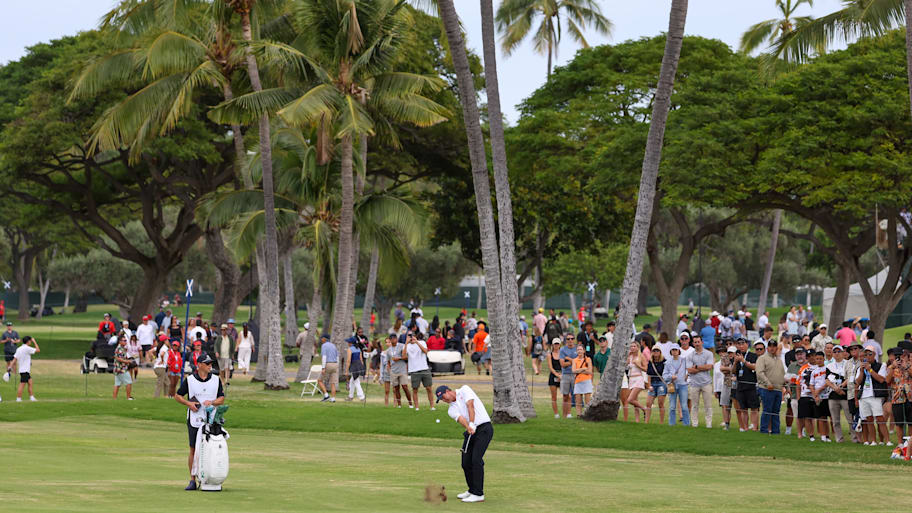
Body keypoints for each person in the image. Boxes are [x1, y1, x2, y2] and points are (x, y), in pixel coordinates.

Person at [174, 353, 225, 491]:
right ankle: (192, 480)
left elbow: (221, 398)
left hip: (212, 419)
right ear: (199, 365)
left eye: (210, 364)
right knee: (193, 449)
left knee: (212, 449)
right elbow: (177, 396)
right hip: (195, 419)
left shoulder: (216, 379)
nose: (210, 366)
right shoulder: (190, 380)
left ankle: (209, 478)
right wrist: (188, 403)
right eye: (207, 364)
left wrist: (213, 402)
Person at [435, 385, 492, 504]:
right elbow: (461, 419)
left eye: (443, 397)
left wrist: (472, 423)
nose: (444, 400)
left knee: (476, 460)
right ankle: (472, 490)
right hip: (471, 431)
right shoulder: (451, 410)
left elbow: (470, 405)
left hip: (484, 428)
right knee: (465, 462)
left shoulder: (464, 390)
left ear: (448, 391)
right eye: (441, 400)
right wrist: (469, 427)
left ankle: (478, 494)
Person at [854, 345, 890, 445]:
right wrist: (862, 371)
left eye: (870, 354)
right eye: (865, 354)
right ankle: (873, 441)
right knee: (868, 419)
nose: (867, 356)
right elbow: (857, 382)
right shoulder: (860, 367)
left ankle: (887, 441)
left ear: (874, 355)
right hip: (864, 396)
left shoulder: (881, 365)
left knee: (880, 418)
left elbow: (881, 379)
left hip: (875, 395)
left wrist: (870, 370)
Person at [756, 339, 785, 435]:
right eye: (770, 346)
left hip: (778, 389)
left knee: (776, 411)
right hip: (766, 388)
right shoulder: (762, 358)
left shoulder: (779, 360)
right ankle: (764, 430)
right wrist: (767, 383)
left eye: (774, 346)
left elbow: (782, 374)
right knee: (767, 410)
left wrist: (785, 386)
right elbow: (759, 372)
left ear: (776, 347)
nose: (772, 348)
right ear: (767, 347)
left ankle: (775, 431)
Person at [825, 345, 851, 442]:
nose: (836, 354)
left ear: (843, 353)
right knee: (835, 420)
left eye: (838, 351)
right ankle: (839, 438)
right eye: (834, 352)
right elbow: (827, 380)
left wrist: (841, 387)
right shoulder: (829, 366)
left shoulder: (848, 364)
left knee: (850, 418)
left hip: (845, 394)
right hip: (833, 395)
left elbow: (850, 377)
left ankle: (855, 437)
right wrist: (835, 388)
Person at [687, 335, 714, 428]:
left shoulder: (709, 354)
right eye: (695, 342)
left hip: (706, 383)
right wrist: (703, 367)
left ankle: (709, 424)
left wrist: (697, 367)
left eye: (698, 342)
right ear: (693, 343)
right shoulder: (690, 355)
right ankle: (694, 423)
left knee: (708, 405)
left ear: (702, 342)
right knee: (694, 405)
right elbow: (689, 370)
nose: (697, 344)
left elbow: (710, 367)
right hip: (694, 384)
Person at [886, 348, 912, 447]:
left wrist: (906, 367)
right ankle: (900, 443)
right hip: (897, 398)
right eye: (897, 356)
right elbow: (887, 381)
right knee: (899, 422)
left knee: (910, 422)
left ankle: (910, 444)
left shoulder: (909, 365)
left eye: (901, 356)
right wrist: (892, 368)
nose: (899, 359)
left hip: (910, 397)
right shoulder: (891, 367)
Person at [733, 337, 760, 431]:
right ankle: (745, 428)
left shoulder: (753, 356)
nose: (741, 346)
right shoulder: (736, 356)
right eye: (739, 344)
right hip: (740, 386)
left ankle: (755, 427)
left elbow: (754, 367)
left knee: (754, 408)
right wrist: (736, 362)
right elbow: (733, 371)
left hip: (751, 385)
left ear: (747, 344)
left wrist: (743, 361)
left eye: (743, 344)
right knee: (743, 409)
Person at [404, 332, 434, 410]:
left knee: (429, 388)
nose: (411, 337)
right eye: (409, 336)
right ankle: (417, 407)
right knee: (415, 389)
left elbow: (425, 351)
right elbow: (404, 356)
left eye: (413, 335)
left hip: (424, 368)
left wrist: (416, 342)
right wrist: (406, 343)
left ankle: (432, 406)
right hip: (414, 370)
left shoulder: (422, 342)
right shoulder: (407, 346)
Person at [663, 344, 689, 426]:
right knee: (672, 406)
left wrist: (687, 375)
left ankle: (686, 424)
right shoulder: (667, 362)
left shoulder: (684, 360)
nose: (674, 351)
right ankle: (671, 424)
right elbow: (664, 375)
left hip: (683, 385)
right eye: (673, 350)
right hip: (672, 385)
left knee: (684, 406)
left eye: (676, 350)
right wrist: (671, 377)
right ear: (671, 351)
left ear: (679, 351)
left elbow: (689, 369)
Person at [7, 335, 39, 402]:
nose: (31, 342)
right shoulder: (27, 348)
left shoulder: (19, 348)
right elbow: (38, 350)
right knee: (22, 384)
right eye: (30, 341)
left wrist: (10, 366)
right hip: (25, 370)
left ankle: (31, 397)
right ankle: (18, 398)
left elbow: (15, 359)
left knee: (30, 382)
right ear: (28, 341)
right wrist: (34, 341)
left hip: (23, 370)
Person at [386, 334, 411, 408]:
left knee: (405, 387)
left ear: (396, 339)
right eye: (392, 339)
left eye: (394, 338)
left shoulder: (401, 346)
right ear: (390, 340)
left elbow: (406, 357)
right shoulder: (388, 350)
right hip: (393, 371)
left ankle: (410, 404)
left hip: (402, 370)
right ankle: (399, 404)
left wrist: (399, 358)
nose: (393, 340)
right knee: (396, 388)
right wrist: (389, 369)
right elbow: (388, 361)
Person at [626, 342, 648, 423]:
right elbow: (626, 366)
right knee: (635, 401)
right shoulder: (630, 356)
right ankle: (637, 420)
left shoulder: (641, 356)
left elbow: (646, 369)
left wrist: (638, 365)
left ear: (638, 347)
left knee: (630, 399)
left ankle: (645, 409)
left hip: (638, 378)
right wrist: (628, 356)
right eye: (631, 346)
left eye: (634, 346)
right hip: (631, 379)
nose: (632, 348)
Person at [559, 334, 579, 418]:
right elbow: (562, 364)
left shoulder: (577, 349)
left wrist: (569, 359)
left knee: (577, 395)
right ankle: (564, 415)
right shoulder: (563, 350)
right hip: (566, 374)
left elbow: (579, 362)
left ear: (574, 339)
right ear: (566, 340)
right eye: (568, 339)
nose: (570, 340)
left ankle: (576, 414)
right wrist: (574, 361)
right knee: (565, 395)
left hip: (576, 374)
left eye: (572, 338)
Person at [645, 348, 667, 424]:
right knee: (648, 403)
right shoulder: (650, 362)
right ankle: (646, 422)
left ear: (660, 352)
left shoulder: (664, 362)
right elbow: (649, 375)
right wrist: (649, 385)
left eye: (657, 351)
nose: (656, 352)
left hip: (661, 383)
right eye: (654, 351)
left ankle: (661, 422)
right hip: (653, 383)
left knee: (660, 403)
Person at [571, 344, 593, 415]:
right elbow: (573, 371)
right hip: (578, 381)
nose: (579, 351)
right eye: (578, 350)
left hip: (586, 381)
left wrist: (578, 370)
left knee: (587, 400)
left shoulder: (588, 359)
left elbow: (589, 371)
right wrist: (583, 369)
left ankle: (587, 415)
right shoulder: (574, 360)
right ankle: (579, 415)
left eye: (580, 349)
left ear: (584, 351)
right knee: (578, 401)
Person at [318, 335, 339, 403]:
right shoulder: (333, 345)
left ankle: (326, 395)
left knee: (320, 380)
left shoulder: (324, 346)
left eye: (322, 338)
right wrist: (337, 365)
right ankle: (333, 398)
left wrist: (323, 367)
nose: (321, 339)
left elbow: (324, 357)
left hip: (328, 364)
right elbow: (337, 356)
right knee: (333, 383)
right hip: (335, 364)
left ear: (324, 339)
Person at [112, 335, 134, 400]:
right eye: (124, 340)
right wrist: (128, 361)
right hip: (121, 369)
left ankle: (114, 398)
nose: (125, 342)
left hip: (117, 369)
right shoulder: (120, 349)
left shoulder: (121, 348)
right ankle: (128, 397)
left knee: (117, 384)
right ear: (120, 341)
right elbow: (119, 359)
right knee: (129, 382)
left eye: (126, 340)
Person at [345, 336, 366, 402]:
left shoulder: (350, 349)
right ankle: (350, 396)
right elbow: (361, 359)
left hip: (354, 366)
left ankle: (362, 397)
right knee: (352, 381)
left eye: (348, 342)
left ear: (350, 343)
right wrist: (362, 367)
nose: (347, 343)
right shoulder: (358, 348)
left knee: (356, 382)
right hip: (359, 365)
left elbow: (348, 360)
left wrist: (346, 371)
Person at [546, 338, 563, 418]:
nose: (556, 345)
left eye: (558, 344)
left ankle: (565, 413)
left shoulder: (563, 354)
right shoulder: (550, 354)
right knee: (554, 396)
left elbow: (564, 365)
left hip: (562, 376)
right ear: (552, 345)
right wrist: (557, 375)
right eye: (555, 344)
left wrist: (561, 375)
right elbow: (550, 367)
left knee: (567, 395)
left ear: (560, 345)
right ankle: (556, 414)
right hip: (553, 376)